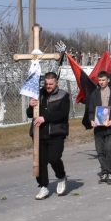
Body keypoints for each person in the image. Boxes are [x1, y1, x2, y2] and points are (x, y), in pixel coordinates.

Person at [27, 72, 71, 200]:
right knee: (40, 161)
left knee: (54, 158)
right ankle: (43, 186)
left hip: (56, 133)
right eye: (46, 84)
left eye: (51, 84)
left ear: (56, 83)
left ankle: (61, 176)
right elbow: (30, 114)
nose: (48, 86)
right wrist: (31, 106)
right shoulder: (38, 94)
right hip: (39, 133)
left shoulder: (63, 96)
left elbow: (62, 113)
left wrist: (44, 118)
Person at [86, 71, 111, 185]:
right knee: (100, 151)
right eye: (100, 80)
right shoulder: (94, 94)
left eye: (103, 80)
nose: (101, 82)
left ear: (108, 80)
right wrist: (92, 120)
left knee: (109, 149)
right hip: (98, 128)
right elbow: (91, 110)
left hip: (110, 127)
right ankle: (104, 171)